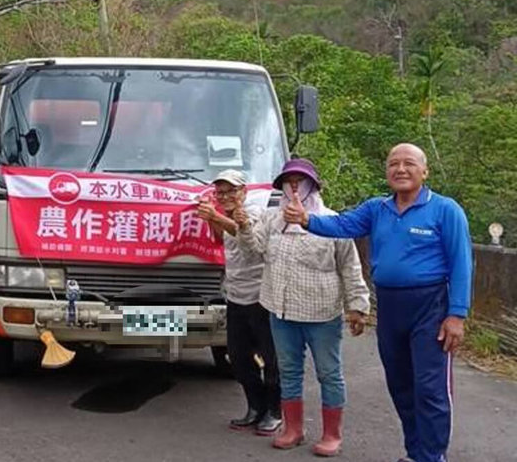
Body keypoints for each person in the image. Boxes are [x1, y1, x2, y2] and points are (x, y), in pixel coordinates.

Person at [283, 144, 472, 462]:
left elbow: (462, 263)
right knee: (400, 385)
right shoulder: (377, 209)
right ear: (386, 172)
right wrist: (307, 220)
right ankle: (415, 452)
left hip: (431, 307)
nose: (400, 169)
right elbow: (342, 226)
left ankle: (432, 456)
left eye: (409, 163)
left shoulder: (445, 210)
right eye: (393, 164)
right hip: (391, 307)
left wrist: (457, 314)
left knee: (430, 388)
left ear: (424, 171)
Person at [241, 158, 370, 456]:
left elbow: (350, 267)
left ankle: (331, 434)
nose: (295, 186)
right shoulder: (272, 220)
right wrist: (243, 225)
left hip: (321, 313)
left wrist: (357, 306)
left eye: (301, 180)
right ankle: (293, 428)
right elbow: (253, 249)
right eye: (289, 181)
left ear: (313, 184)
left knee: (329, 372)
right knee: (288, 371)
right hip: (281, 310)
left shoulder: (330, 220)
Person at [198, 169, 282, 435]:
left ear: (244, 192)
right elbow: (218, 238)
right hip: (235, 295)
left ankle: (274, 410)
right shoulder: (224, 215)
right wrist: (212, 218)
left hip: (262, 296)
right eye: (221, 192)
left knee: (271, 357)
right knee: (237, 357)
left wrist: (216, 217)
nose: (226, 197)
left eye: (231, 191)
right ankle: (255, 407)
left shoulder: (255, 212)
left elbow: (247, 239)